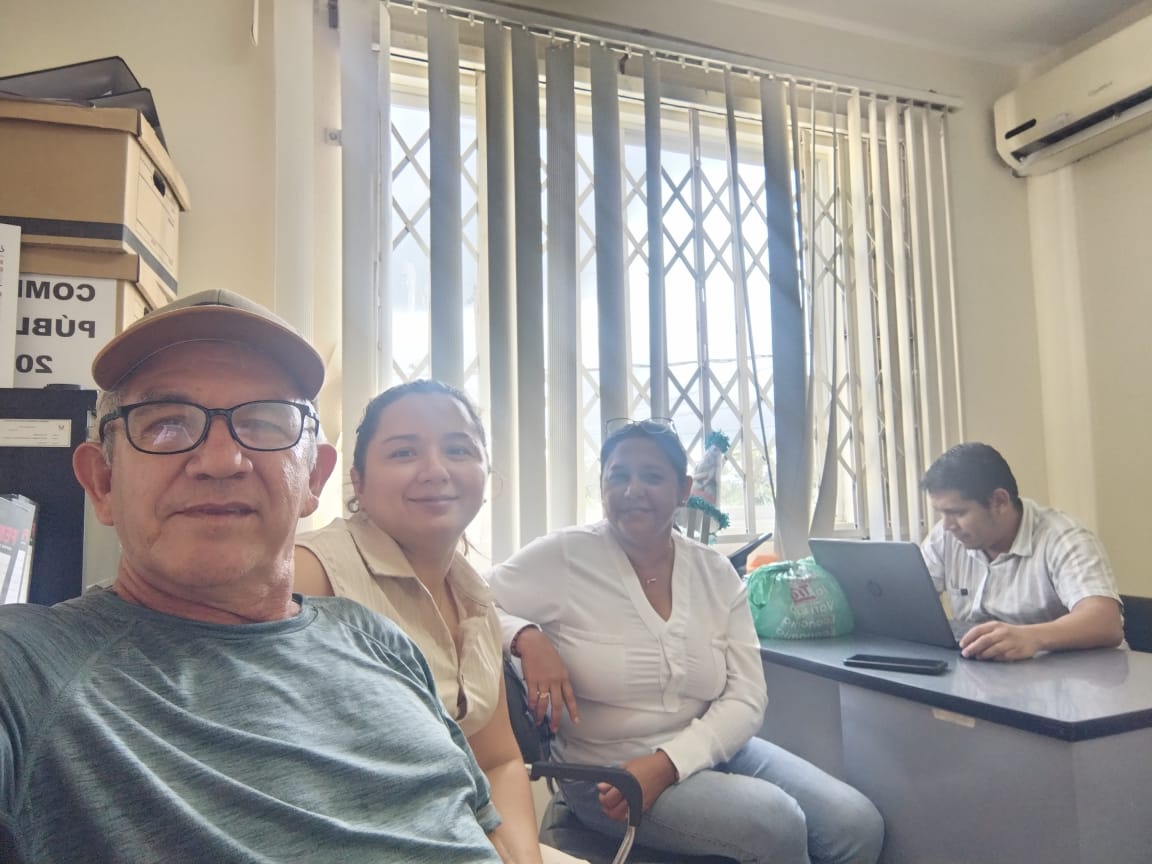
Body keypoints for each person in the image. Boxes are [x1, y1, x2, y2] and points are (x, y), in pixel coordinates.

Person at [0, 290, 507, 864]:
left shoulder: (380, 640)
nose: (221, 461)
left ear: (314, 478)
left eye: (265, 422)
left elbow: (481, 826)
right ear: (102, 483)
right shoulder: (29, 672)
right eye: (166, 424)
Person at [488, 419, 885, 864]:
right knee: (774, 822)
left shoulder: (715, 573)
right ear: (602, 487)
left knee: (856, 825)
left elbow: (747, 695)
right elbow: (471, 597)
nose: (632, 490)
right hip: (607, 776)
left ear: (684, 490)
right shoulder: (566, 556)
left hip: (710, 749)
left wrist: (668, 763)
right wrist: (525, 637)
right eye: (618, 476)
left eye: (652, 476)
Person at [294, 380, 579, 864]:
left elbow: (498, 760)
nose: (435, 470)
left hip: (466, 836)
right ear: (359, 482)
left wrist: (521, 858)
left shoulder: (476, 601)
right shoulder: (312, 574)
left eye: (458, 449)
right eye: (404, 452)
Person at [921, 441, 1124, 661]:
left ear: (999, 501)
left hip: (1079, 672)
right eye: (941, 513)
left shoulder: (1063, 537)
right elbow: (910, 601)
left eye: (958, 512)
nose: (947, 525)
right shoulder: (946, 536)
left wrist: (1032, 637)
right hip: (987, 669)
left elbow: (1106, 622)